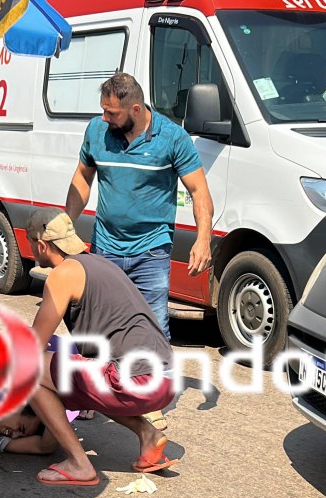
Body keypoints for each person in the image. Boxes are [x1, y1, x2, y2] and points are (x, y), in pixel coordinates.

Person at [65, 72, 215, 431]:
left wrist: (204, 238)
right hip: (106, 246)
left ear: (135, 108)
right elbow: (83, 177)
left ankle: (150, 397)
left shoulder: (171, 138)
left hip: (151, 249)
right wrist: (67, 221)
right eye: (103, 111)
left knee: (152, 323)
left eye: (112, 113)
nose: (105, 119)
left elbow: (199, 191)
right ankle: (92, 392)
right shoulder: (97, 132)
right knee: (95, 322)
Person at [24, 208, 178, 487]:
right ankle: (149, 435)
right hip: (165, 378)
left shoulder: (63, 274)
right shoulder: (100, 263)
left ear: (42, 244)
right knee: (87, 374)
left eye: (30, 241)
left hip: (134, 379)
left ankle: (79, 464)